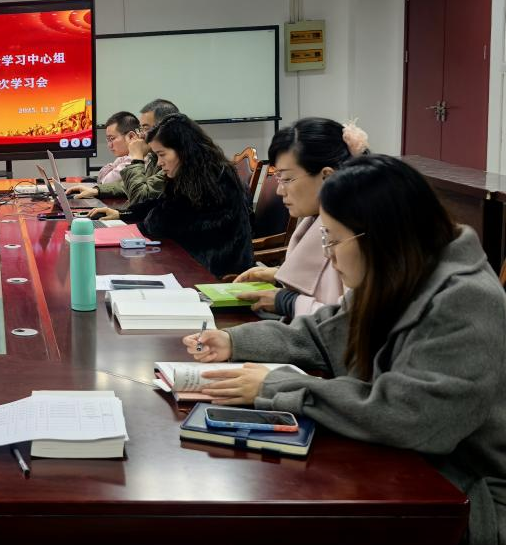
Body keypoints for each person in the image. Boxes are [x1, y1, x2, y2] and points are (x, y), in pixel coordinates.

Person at [183, 155, 505, 545]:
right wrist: (235, 342)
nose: (329, 255)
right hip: (404, 463)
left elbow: (408, 416)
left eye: (333, 240)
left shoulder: (466, 300)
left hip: (463, 498)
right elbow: (321, 335)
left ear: (379, 236)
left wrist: (274, 385)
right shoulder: (398, 270)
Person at [231, 118, 368, 320]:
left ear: (327, 176)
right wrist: (278, 275)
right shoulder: (316, 218)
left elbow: (350, 321)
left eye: (287, 179)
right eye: (278, 178)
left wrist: (288, 302)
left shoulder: (356, 231)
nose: (279, 190)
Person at [92, 113, 253, 277]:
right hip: (194, 262)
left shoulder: (209, 181)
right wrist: (122, 214)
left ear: (182, 150)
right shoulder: (194, 171)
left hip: (215, 275)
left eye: (162, 154)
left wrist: (129, 222)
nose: (159, 162)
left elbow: (158, 224)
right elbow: (161, 203)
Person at [67, 98, 178, 205]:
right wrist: (97, 191)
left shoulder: (174, 161)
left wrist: (136, 157)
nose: (140, 135)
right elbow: (128, 186)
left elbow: (140, 198)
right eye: (141, 129)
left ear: (165, 129)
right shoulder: (154, 157)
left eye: (145, 128)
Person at [92, 111, 141, 185]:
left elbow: (105, 182)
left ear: (131, 137)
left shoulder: (135, 159)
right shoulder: (125, 156)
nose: (109, 145)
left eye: (112, 138)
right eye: (108, 140)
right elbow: (101, 178)